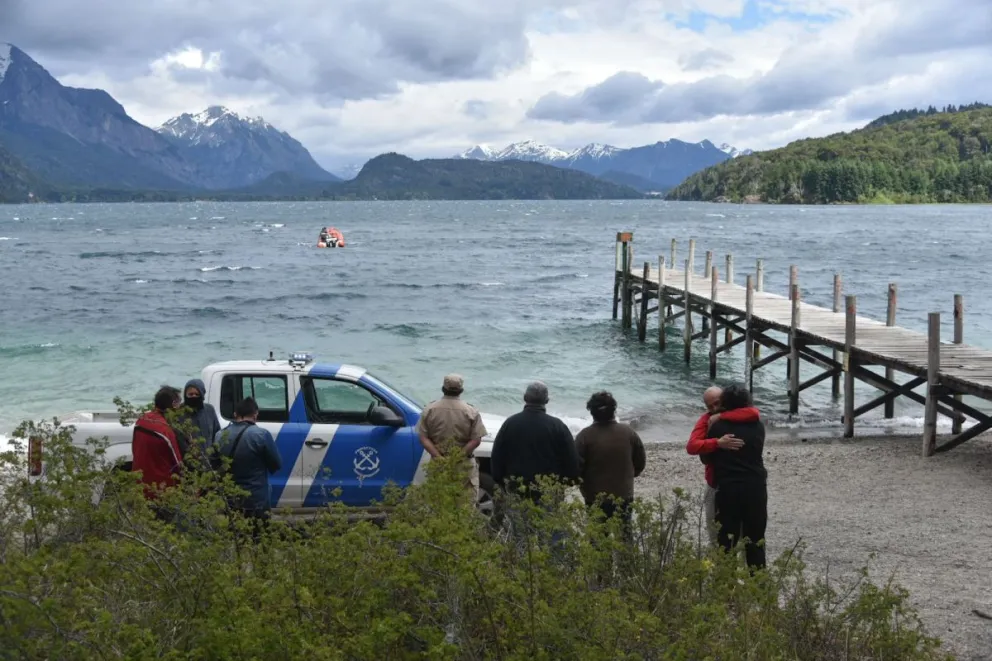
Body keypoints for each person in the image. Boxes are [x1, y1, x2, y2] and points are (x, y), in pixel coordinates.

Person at [707, 383, 767, 569]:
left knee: (726, 540)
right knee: (755, 539)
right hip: (755, 487)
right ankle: (759, 588)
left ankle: (726, 588)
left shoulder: (718, 427)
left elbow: (705, 458)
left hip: (728, 488)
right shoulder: (758, 425)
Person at [490, 381, 580, 503]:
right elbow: (571, 460)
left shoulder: (510, 423)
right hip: (548, 489)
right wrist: (567, 483)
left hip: (517, 487)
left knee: (518, 521)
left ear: (525, 398)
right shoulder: (558, 426)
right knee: (547, 521)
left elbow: (497, 455)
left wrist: (500, 480)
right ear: (547, 400)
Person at [574, 391, 646, 534]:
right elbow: (640, 462)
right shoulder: (628, 433)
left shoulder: (584, 436)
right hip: (623, 493)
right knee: (625, 535)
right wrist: (628, 476)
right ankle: (627, 557)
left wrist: (583, 483)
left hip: (594, 496)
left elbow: (576, 468)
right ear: (614, 410)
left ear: (591, 412)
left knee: (598, 538)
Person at [211, 397, 282, 538]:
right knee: (259, 538)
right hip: (257, 498)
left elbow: (214, 463)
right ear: (255, 414)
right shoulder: (261, 435)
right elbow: (276, 464)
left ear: (235, 414)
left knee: (238, 538)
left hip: (231, 497)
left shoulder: (220, 435)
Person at [686, 386, 743, 544]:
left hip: (740, 481)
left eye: (717, 403)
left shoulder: (740, 414)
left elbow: (754, 415)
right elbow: (692, 446)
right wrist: (717, 443)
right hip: (714, 482)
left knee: (744, 535)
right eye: (710, 406)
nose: (714, 409)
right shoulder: (706, 420)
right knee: (714, 532)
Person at [415, 374, 487, 499]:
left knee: (439, 502)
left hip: (438, 463)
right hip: (463, 463)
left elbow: (423, 438)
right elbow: (476, 440)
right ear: (461, 390)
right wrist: (457, 457)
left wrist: (438, 456)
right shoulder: (471, 411)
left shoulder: (430, 409)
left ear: (443, 388)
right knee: (464, 504)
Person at [131, 385, 184, 506]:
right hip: (162, 488)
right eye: (179, 402)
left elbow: (135, 448)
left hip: (141, 483)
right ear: (173, 405)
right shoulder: (165, 430)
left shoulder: (142, 420)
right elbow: (177, 463)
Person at [175, 378, 221, 469]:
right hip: (189, 465)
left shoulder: (209, 410)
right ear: (185, 395)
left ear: (202, 394)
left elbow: (217, 434)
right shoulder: (179, 413)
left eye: (197, 394)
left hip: (209, 463)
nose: (193, 397)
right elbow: (178, 441)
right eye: (190, 394)